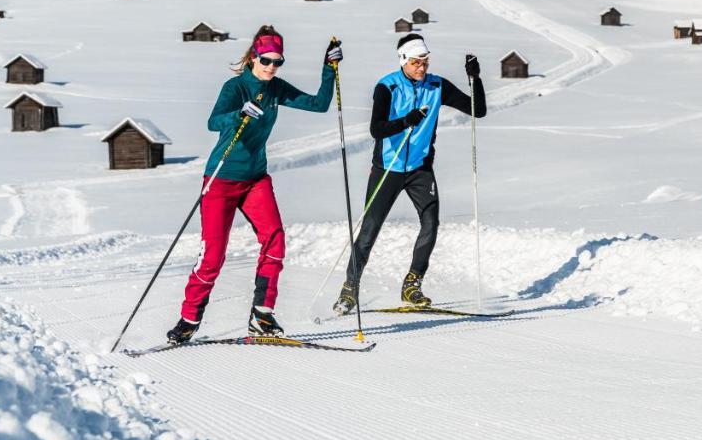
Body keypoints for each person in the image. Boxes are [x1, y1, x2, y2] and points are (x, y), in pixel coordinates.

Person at [167, 25, 342, 344]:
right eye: (266, 60)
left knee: (275, 239)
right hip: (221, 179)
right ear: (253, 56)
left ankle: (262, 315)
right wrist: (238, 114)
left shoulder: (276, 88)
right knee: (213, 255)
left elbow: (318, 104)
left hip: (255, 179)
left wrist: (329, 69)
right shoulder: (235, 87)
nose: (272, 67)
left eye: (278, 61)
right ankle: (189, 319)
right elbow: (213, 122)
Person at [333, 33, 485, 314]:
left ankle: (412, 284)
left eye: (425, 62)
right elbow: (376, 129)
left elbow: (479, 110)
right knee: (370, 229)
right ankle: (349, 288)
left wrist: (475, 80)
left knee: (431, 223)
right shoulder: (387, 87)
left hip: (420, 169)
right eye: (416, 62)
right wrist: (405, 121)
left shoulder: (437, 86)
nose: (422, 68)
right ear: (403, 60)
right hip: (387, 168)